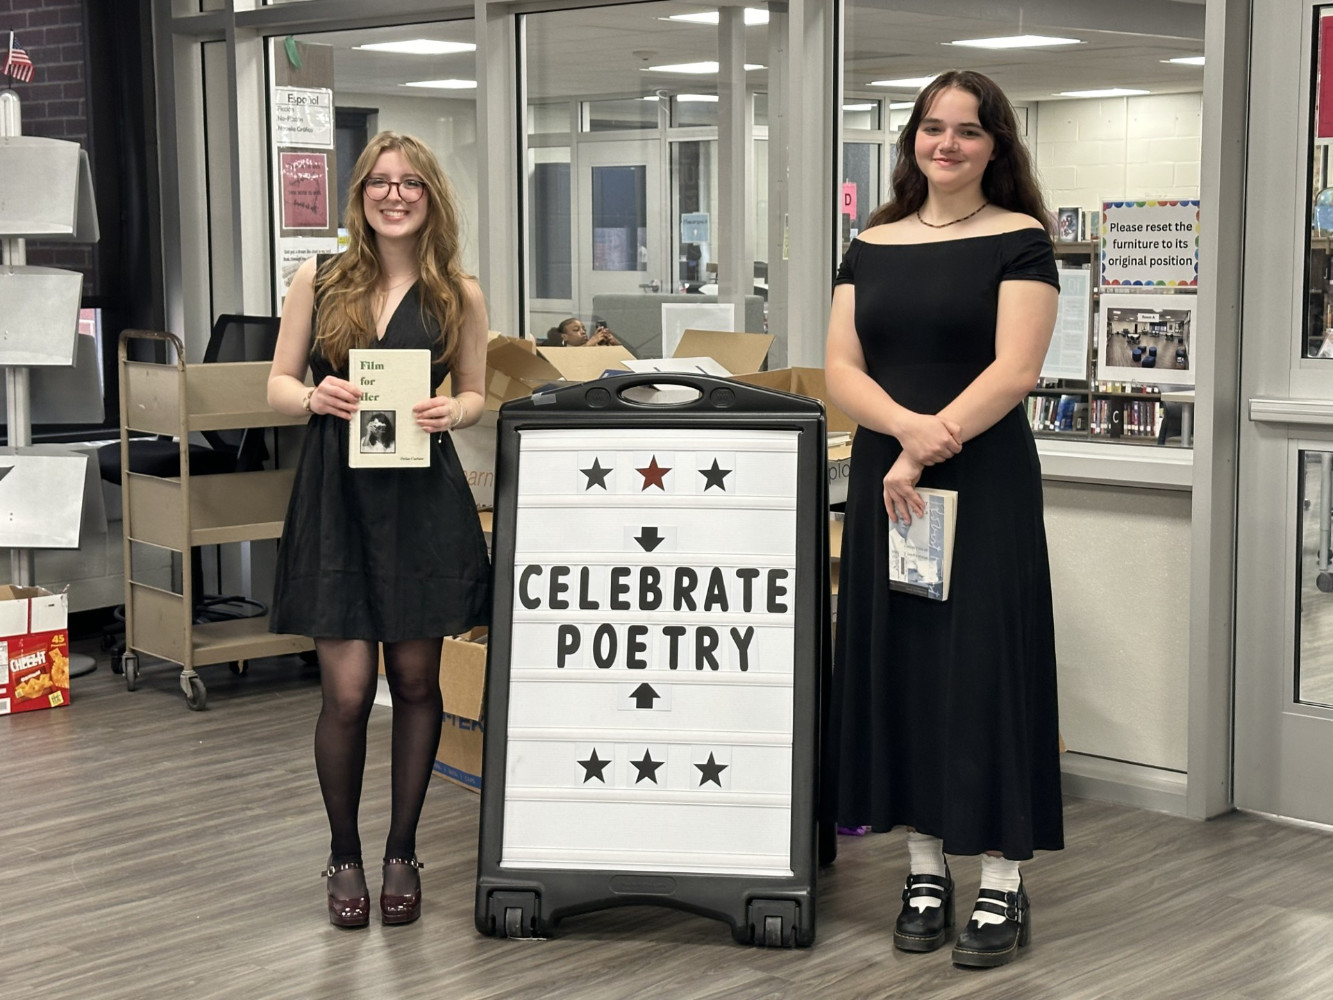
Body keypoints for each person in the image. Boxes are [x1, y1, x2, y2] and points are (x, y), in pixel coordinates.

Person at [824, 70, 1063, 969]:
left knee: (984, 668)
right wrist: (901, 437)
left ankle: (1001, 880)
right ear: (911, 142)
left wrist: (927, 444)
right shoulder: (871, 242)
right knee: (904, 665)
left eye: (968, 131)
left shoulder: (1021, 241)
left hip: (980, 478)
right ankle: (924, 867)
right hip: (893, 476)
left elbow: (1015, 370)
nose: (947, 145)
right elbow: (840, 367)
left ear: (996, 145)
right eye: (932, 129)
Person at [267, 131, 491, 929]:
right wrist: (311, 399)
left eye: (411, 185)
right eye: (378, 184)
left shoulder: (456, 292)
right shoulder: (318, 279)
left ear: (431, 198)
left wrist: (451, 411)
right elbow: (276, 385)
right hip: (338, 502)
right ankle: (343, 854)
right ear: (359, 195)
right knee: (350, 692)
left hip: (419, 502)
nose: (394, 196)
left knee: (421, 683)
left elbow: (474, 393)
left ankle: (402, 849)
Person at [543, 316, 621, 347]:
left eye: (584, 329)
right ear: (565, 337)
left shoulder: (591, 345)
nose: (583, 332)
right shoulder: (563, 353)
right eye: (576, 330)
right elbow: (575, 357)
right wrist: (590, 343)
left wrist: (615, 343)